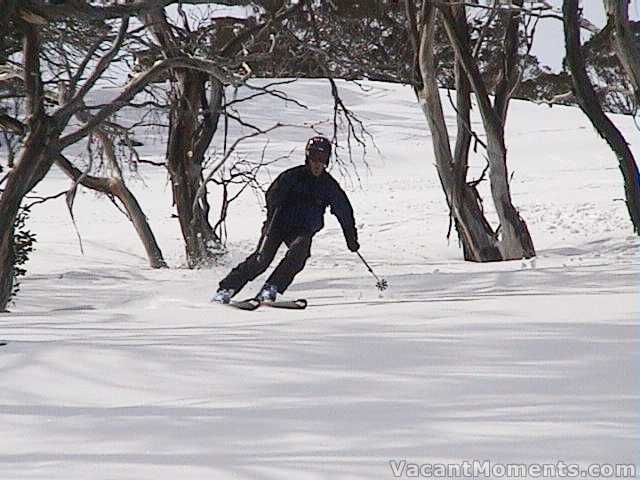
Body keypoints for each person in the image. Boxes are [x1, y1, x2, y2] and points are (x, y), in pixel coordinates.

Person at [213, 135, 360, 303]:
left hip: (302, 229)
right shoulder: (292, 176)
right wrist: (277, 201)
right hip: (277, 224)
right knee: (261, 260)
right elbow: (271, 195)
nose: (318, 163)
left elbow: (344, 211)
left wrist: (351, 238)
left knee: (299, 253)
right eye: (314, 158)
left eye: (322, 159)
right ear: (307, 157)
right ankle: (226, 289)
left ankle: (271, 288)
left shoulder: (328, 185)